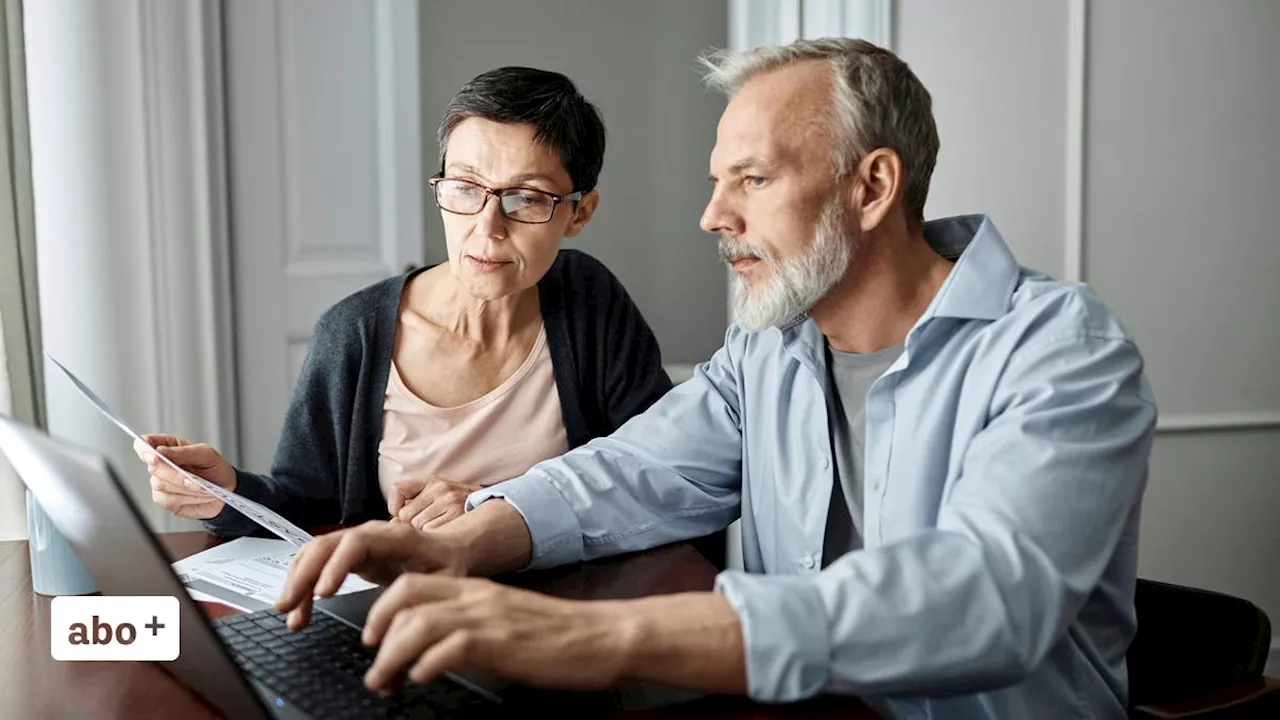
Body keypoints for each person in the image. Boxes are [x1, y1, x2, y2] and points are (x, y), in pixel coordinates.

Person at [274, 38, 1157, 719]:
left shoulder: (1060, 351)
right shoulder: (768, 352)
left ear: (872, 187)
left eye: (753, 179)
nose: (712, 215)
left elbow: (986, 596)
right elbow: (625, 473)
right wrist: (460, 539)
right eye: (714, 181)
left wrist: (601, 636)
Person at [135, 67, 672, 535]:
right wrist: (226, 493)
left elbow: (661, 477)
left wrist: (497, 506)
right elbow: (304, 510)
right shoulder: (354, 334)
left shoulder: (590, 302)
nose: (486, 229)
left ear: (578, 212)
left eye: (526, 198)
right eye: (464, 187)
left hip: (559, 618)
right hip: (402, 621)